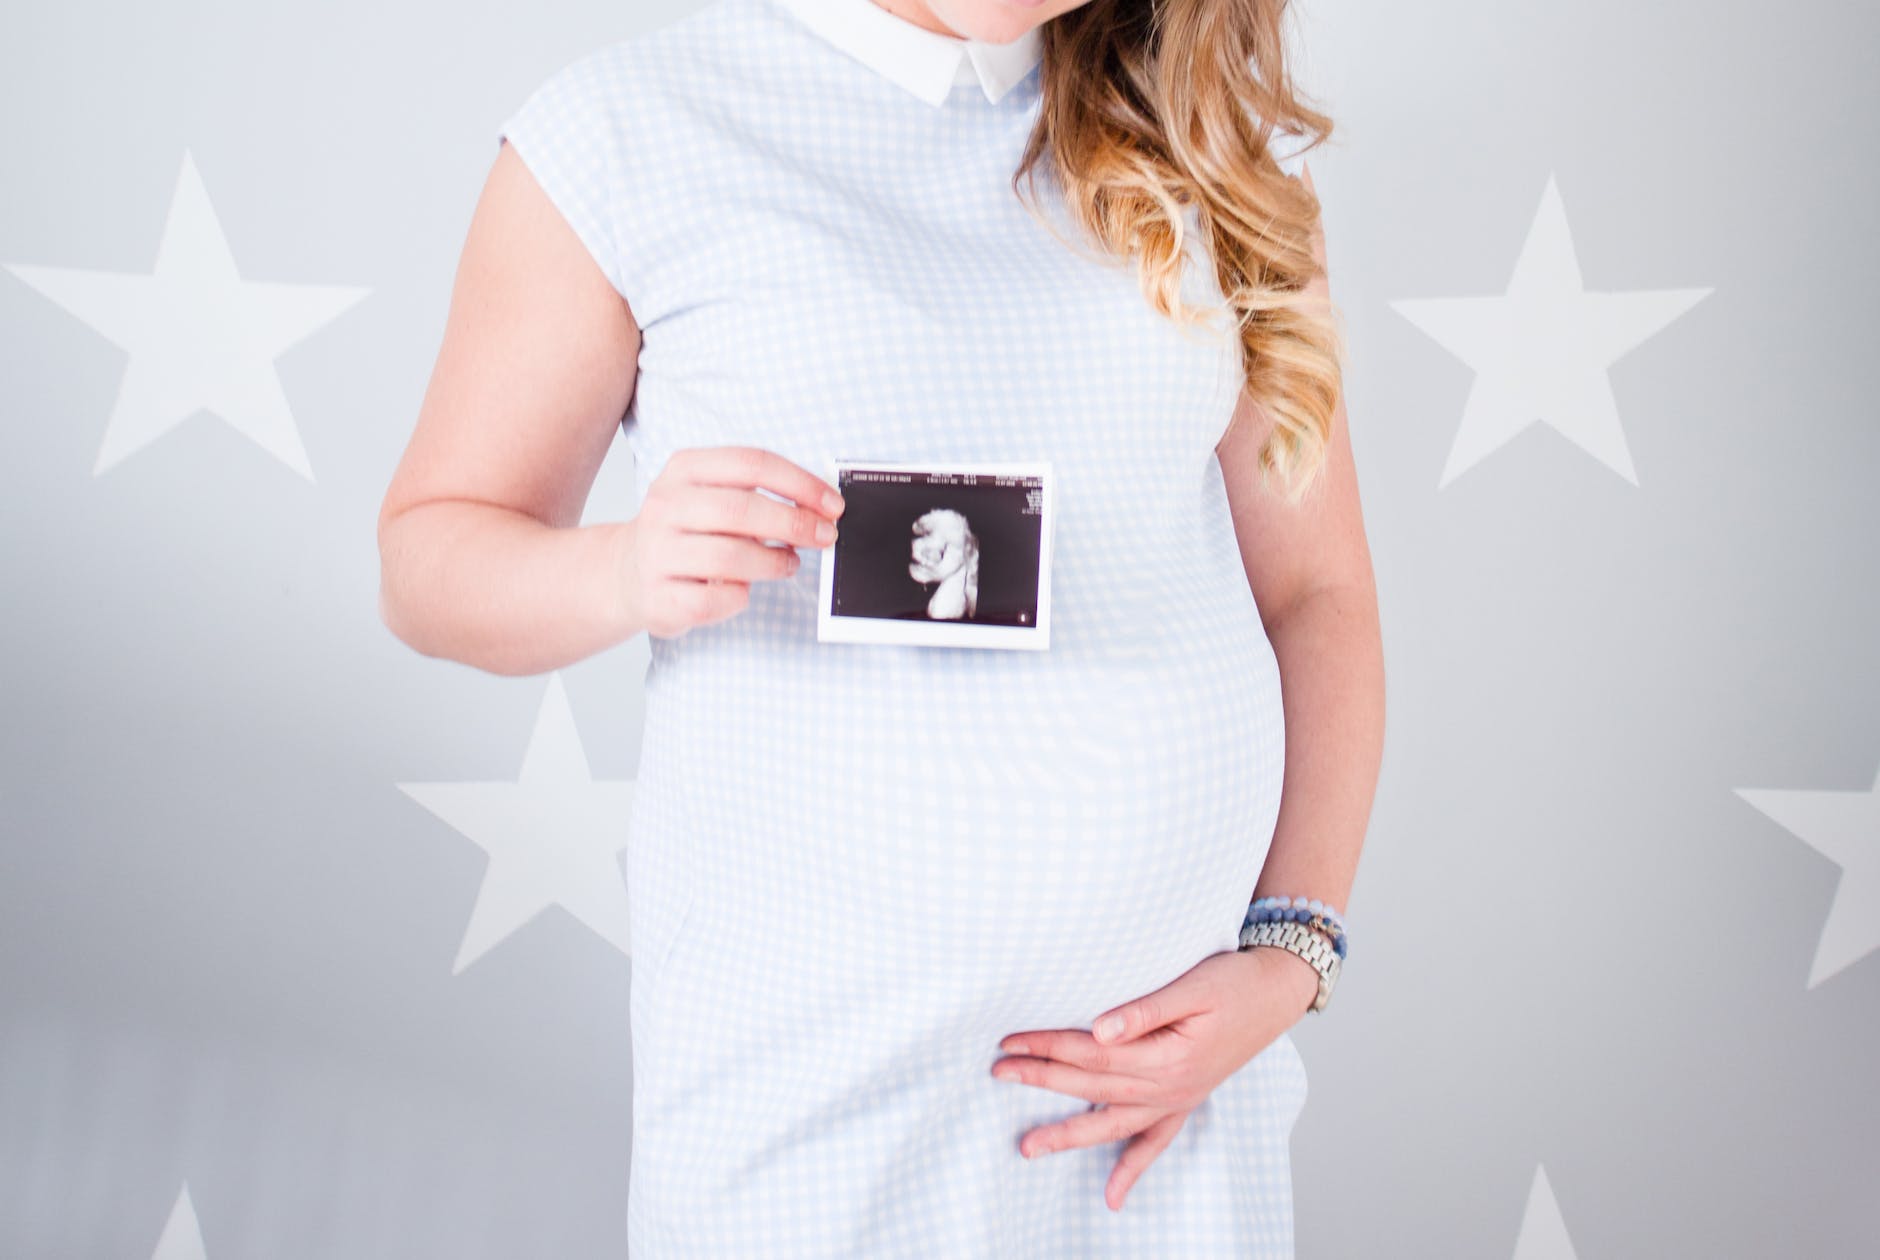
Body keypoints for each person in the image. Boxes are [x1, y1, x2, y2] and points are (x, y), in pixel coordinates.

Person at [376, 0, 1384, 1254]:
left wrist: (1291, 951)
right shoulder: (630, 135)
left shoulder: (1207, 142)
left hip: (1157, 1108)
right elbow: (428, 559)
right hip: (810, 1104)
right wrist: (624, 569)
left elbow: (1317, 595)